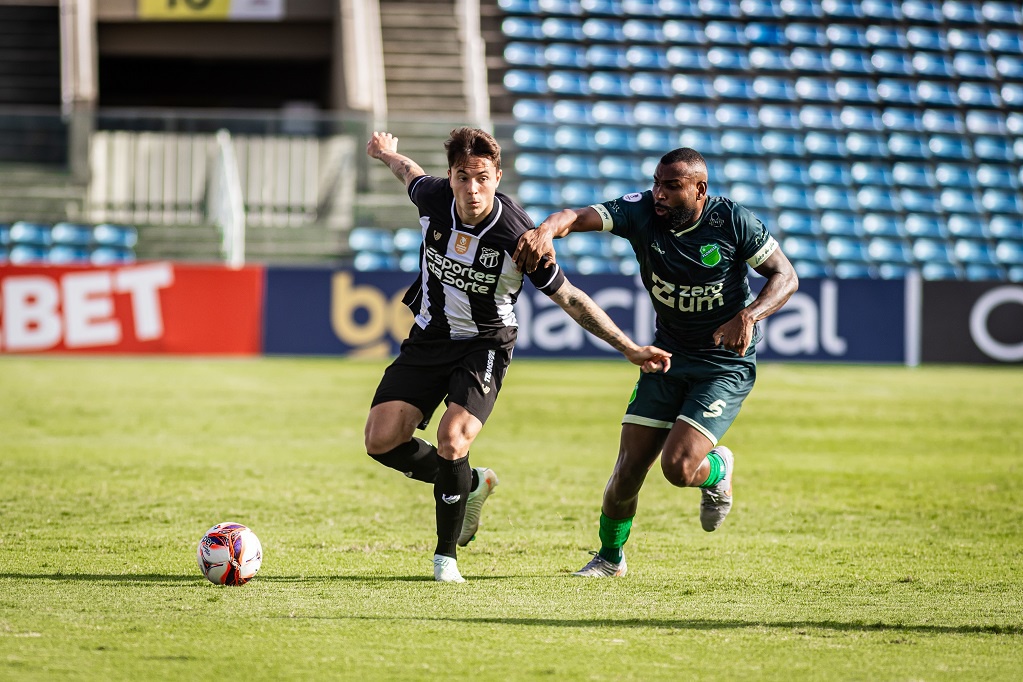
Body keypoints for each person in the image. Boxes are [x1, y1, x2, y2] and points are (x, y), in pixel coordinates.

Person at [364, 128, 671, 583]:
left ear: (497, 176)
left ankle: (445, 559)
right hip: (429, 337)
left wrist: (628, 347)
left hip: (485, 344)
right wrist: (387, 152)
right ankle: (470, 483)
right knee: (380, 440)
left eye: (482, 178)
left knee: (453, 440)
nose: (472, 189)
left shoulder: (518, 235)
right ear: (450, 177)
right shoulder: (432, 198)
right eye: (463, 177)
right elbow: (407, 171)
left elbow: (570, 298)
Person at [514, 147, 798, 577]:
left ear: (699, 189)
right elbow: (575, 216)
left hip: (723, 364)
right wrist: (546, 230)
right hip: (666, 356)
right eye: (656, 183)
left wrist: (749, 314)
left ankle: (718, 469)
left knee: (678, 468)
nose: (658, 194)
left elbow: (786, 276)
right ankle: (610, 559)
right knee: (627, 469)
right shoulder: (641, 211)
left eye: (671, 186)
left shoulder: (733, 221)